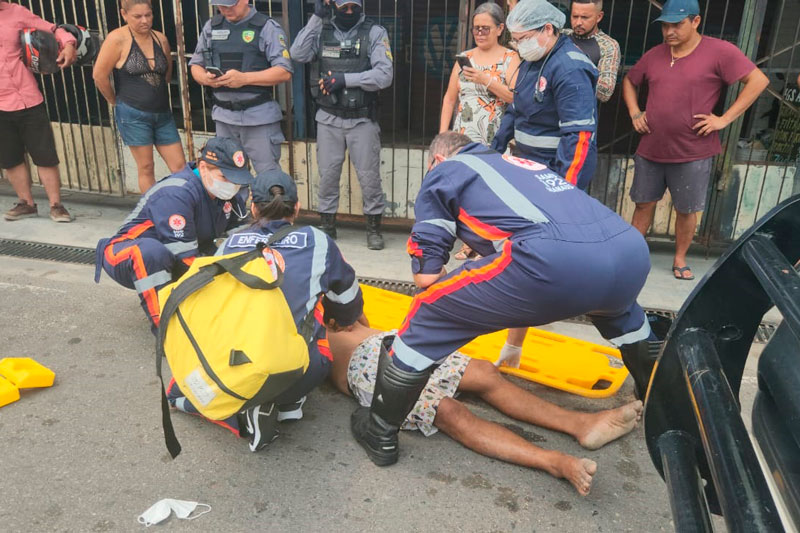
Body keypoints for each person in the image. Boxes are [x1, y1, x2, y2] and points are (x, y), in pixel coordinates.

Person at [350, 132, 660, 467]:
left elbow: (426, 276)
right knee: (626, 321)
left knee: (428, 309)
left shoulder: (446, 171)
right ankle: (662, 409)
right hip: (630, 252)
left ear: (437, 160)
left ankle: (379, 431)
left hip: (553, 262)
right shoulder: (523, 166)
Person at [166, 168, 365, 453]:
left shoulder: (228, 245)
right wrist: (343, 320)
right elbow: (347, 304)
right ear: (296, 207)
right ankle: (288, 401)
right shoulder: (318, 241)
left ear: (253, 208)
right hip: (299, 372)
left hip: (234, 369)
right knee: (315, 310)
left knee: (177, 393)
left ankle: (242, 415)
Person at [330, 322, 642, 495]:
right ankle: (554, 461)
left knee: (485, 372)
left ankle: (581, 425)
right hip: (364, 368)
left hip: (395, 343)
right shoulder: (300, 316)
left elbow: (356, 314)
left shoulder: (327, 286)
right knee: (448, 410)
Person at [622, 0, 768, 280]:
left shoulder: (719, 51)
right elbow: (630, 80)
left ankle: (679, 258)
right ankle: (633, 256)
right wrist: (634, 112)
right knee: (643, 203)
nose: (669, 31)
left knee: (686, 209)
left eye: (676, 24)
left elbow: (758, 81)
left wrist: (724, 119)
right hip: (651, 147)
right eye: (665, 25)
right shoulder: (655, 55)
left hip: (693, 151)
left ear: (696, 21)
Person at [94, 137, 252, 331]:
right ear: (203, 168)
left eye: (236, 180)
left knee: (226, 251)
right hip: (127, 253)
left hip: (180, 253)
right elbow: (186, 260)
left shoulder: (226, 195)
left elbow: (240, 238)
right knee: (152, 253)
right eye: (225, 177)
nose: (232, 185)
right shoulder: (177, 193)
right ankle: (166, 328)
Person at [290, 0, 393, 250]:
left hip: (361, 118)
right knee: (328, 175)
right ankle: (327, 224)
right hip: (328, 117)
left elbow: (385, 75)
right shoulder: (321, 31)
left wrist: (346, 79)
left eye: (353, 7)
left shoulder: (374, 32)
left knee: (369, 177)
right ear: (333, 6)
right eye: (343, 7)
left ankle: (373, 228)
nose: (348, 12)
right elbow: (297, 54)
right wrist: (315, 18)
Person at [491, 0, 598, 191]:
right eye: (515, 40)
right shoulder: (533, 61)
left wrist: (564, 187)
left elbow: (578, 135)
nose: (519, 45)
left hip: (555, 168)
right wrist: (495, 151)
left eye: (523, 38)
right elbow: (516, 108)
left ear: (548, 29)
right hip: (527, 162)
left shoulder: (570, 68)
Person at [92, 0, 186, 193]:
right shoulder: (116, 39)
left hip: (162, 113)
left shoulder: (160, 39)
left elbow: (167, 74)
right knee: (146, 167)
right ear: (124, 14)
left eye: (148, 15)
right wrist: (113, 101)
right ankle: (150, 212)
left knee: (180, 167)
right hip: (133, 112)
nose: (144, 21)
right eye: (137, 16)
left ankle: (182, 207)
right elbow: (99, 75)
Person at [189, 0, 292, 174]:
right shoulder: (211, 26)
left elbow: (284, 71)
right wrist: (207, 79)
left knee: (268, 179)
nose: (225, 9)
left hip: (258, 118)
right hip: (224, 118)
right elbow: (195, 65)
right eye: (221, 5)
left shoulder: (267, 27)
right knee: (229, 178)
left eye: (231, 4)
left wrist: (244, 79)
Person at [1, 0, 76, 223]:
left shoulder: (15, 12)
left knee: (45, 156)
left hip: (27, 99)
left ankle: (56, 205)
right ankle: (26, 203)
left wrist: (69, 43)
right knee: (10, 158)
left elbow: (53, 28)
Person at [440, 2, 520, 145]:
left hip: (496, 139)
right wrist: (442, 136)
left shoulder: (510, 58)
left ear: (500, 29)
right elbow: (450, 99)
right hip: (463, 138)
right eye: (476, 29)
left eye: (486, 29)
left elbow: (516, 97)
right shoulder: (465, 58)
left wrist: (485, 80)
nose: (480, 33)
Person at [562, 0, 620, 103]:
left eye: (585, 17)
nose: (578, 22)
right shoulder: (561, 35)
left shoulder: (607, 45)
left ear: (599, 17)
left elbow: (605, 93)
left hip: (580, 114)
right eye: (575, 16)